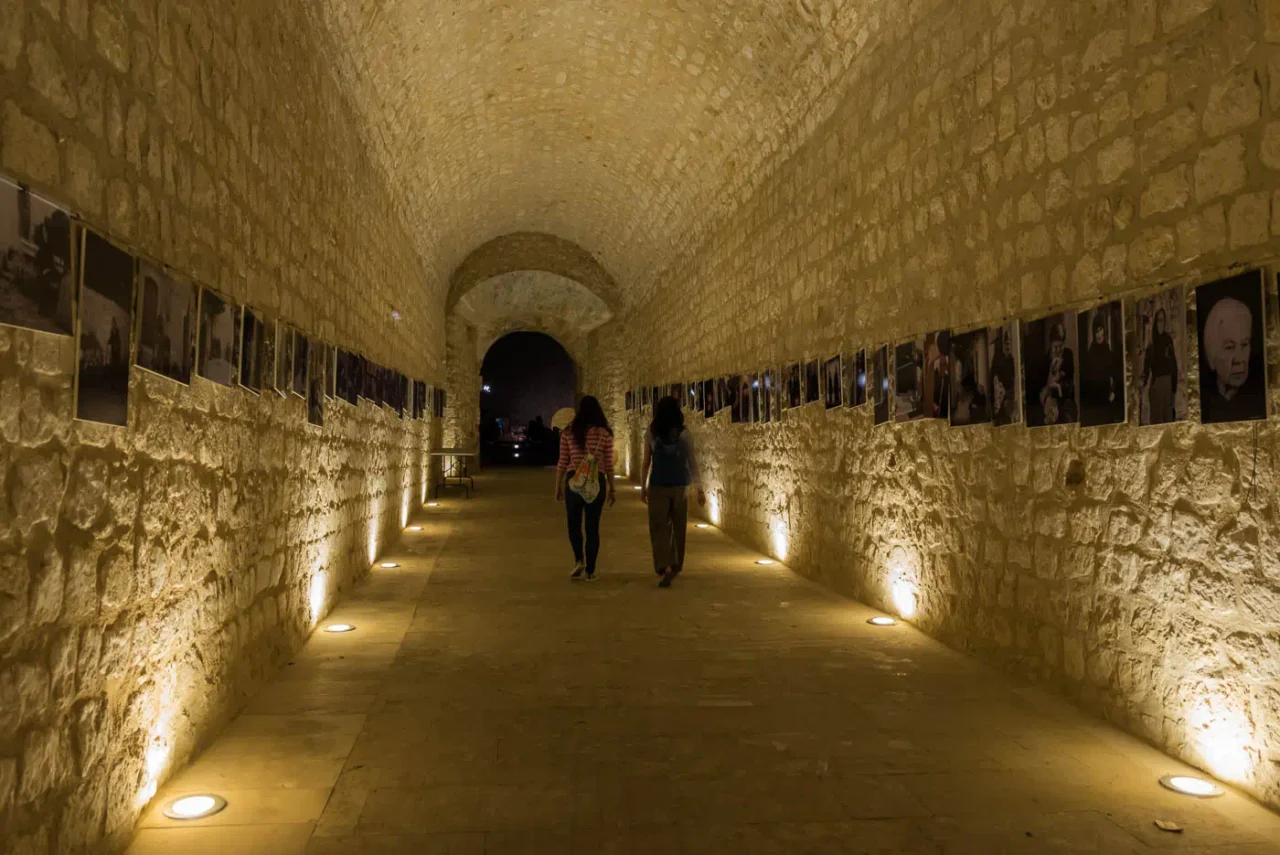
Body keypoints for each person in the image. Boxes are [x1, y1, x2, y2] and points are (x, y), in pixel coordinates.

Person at [641, 396, 705, 588]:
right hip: (679, 486)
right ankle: (675, 564)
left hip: (658, 485)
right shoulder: (685, 434)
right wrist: (700, 489)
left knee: (659, 527)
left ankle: (663, 566)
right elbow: (692, 462)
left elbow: (646, 462)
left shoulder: (652, 432)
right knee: (678, 527)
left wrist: (643, 487)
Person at [555, 396, 615, 580]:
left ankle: (578, 560)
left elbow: (563, 462)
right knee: (592, 526)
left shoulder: (568, 432)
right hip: (596, 482)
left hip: (574, 482)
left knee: (574, 524)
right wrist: (612, 488)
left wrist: (557, 486)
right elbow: (609, 464)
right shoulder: (605, 434)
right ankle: (590, 571)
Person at [1200, 295, 1262, 422]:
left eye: (1244, 345)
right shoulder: (1204, 405)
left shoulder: (1259, 402)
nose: (1239, 359)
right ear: (1212, 353)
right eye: (1229, 347)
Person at [1080, 313, 1122, 424]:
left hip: (1106, 398)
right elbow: (1086, 378)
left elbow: (1115, 375)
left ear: (1104, 331)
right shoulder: (1090, 353)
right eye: (1096, 331)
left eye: (1101, 330)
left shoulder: (1108, 352)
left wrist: (1113, 392)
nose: (1099, 334)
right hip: (1094, 401)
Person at [1141, 308, 1179, 424]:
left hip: (1167, 385)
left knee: (1168, 421)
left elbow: (1173, 365)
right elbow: (1146, 369)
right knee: (1157, 422)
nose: (1160, 323)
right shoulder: (1151, 345)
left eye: (1162, 320)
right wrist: (1142, 382)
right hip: (1156, 386)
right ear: (1155, 322)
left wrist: (1173, 389)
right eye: (1158, 320)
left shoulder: (1168, 340)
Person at [1038, 322, 1076, 424]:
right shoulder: (1045, 360)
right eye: (1055, 347)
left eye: (1061, 346)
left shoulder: (1068, 355)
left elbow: (1069, 385)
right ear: (1050, 345)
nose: (1058, 350)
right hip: (1048, 405)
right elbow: (1041, 387)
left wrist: (1056, 388)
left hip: (1064, 404)